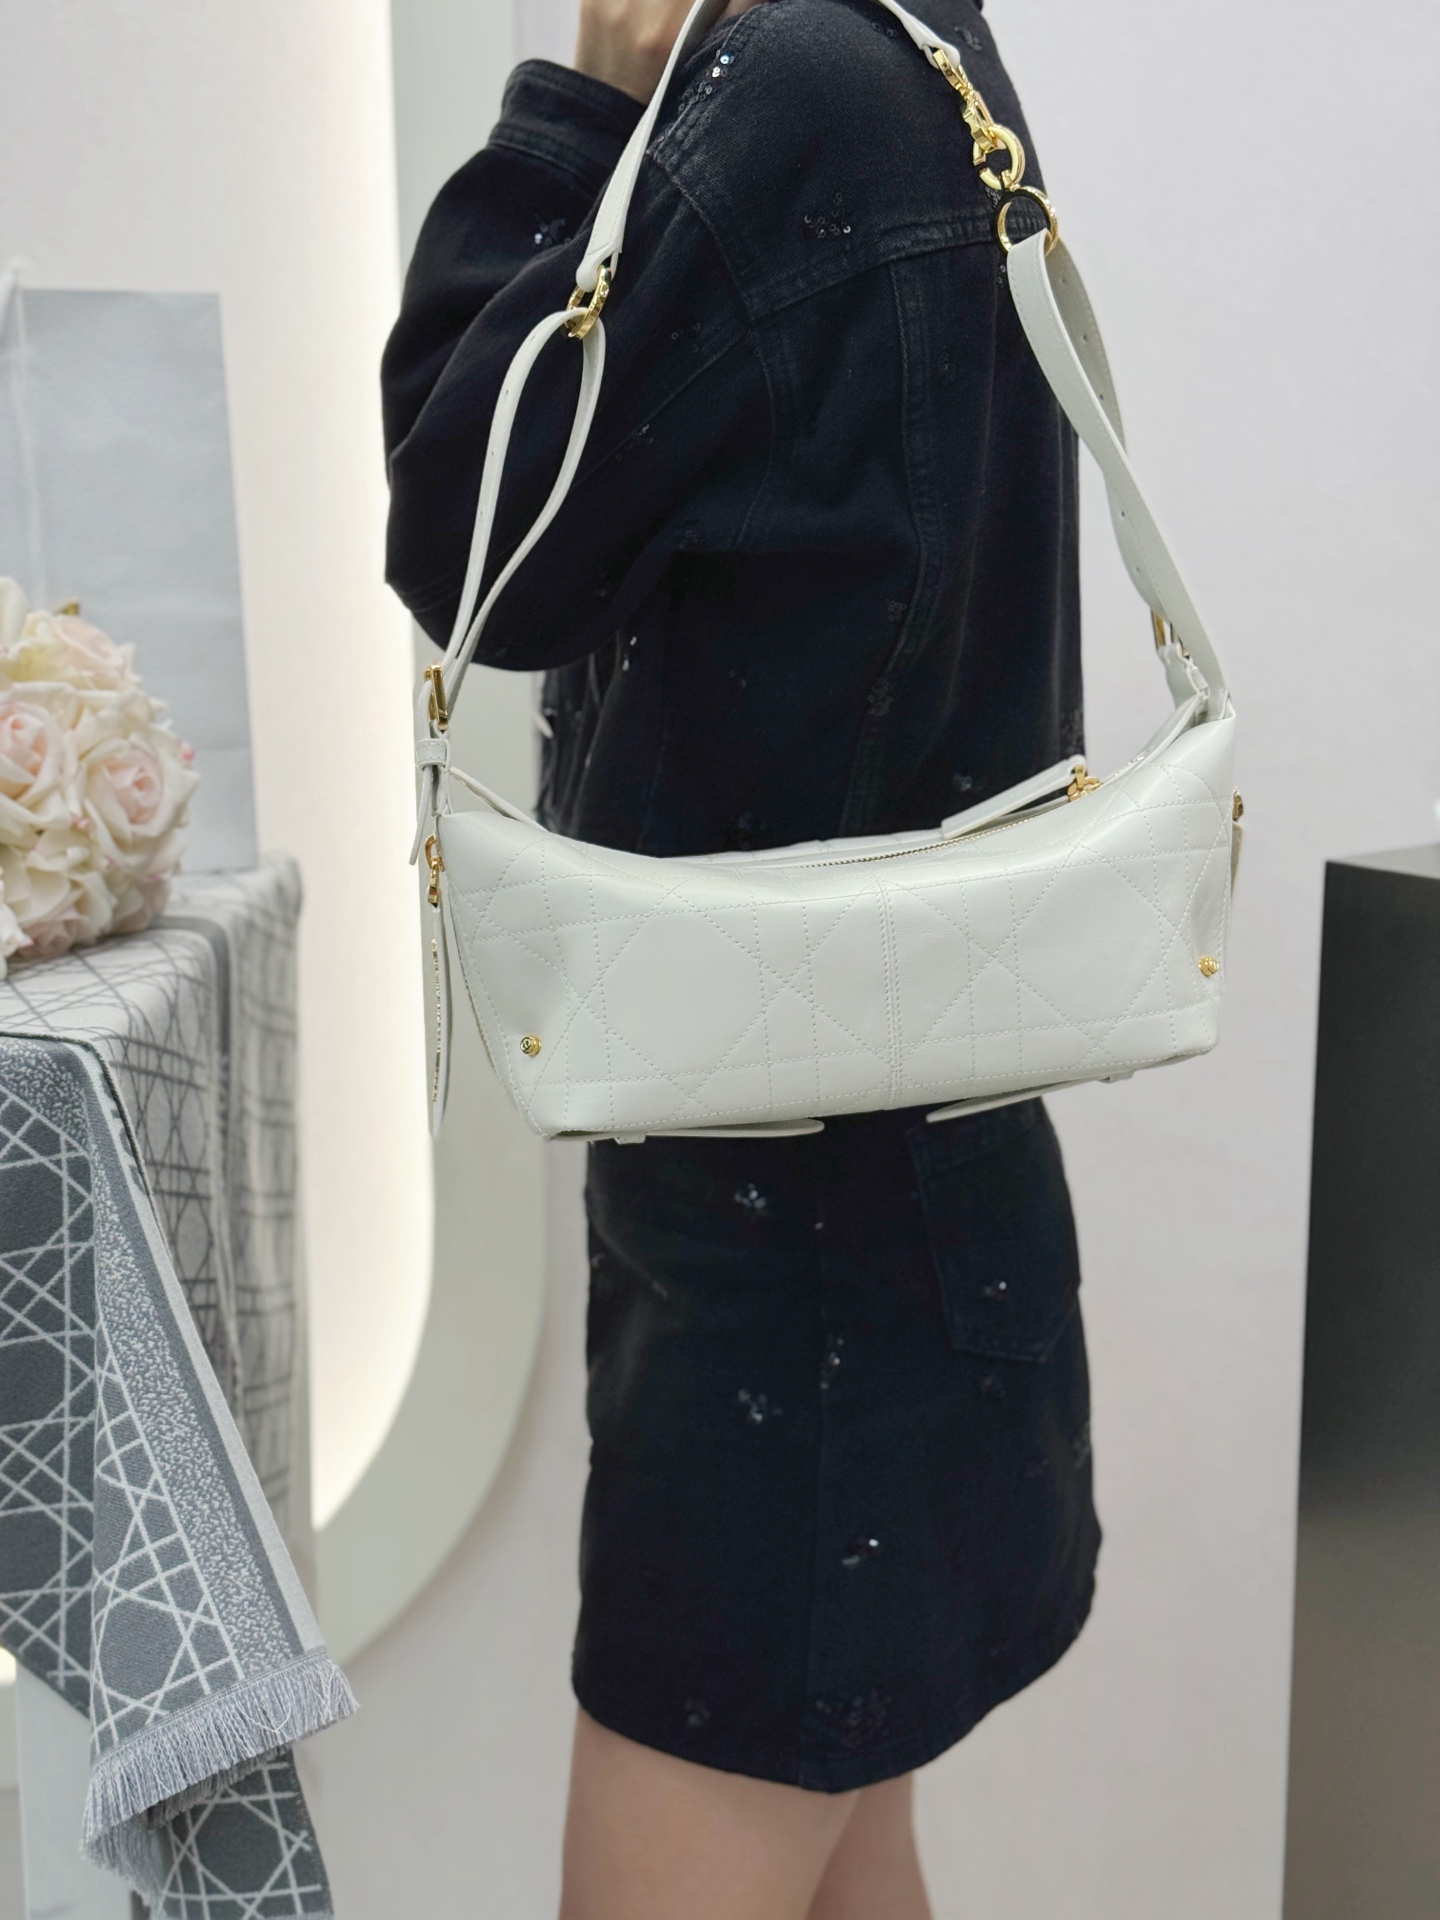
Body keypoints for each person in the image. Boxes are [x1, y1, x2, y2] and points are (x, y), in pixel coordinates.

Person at [382, 0, 1100, 1910]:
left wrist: (575, 106)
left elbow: (460, 533)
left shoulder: (777, 90)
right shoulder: (917, 43)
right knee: (856, 1855)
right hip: (917, 1199)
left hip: (804, 1287)